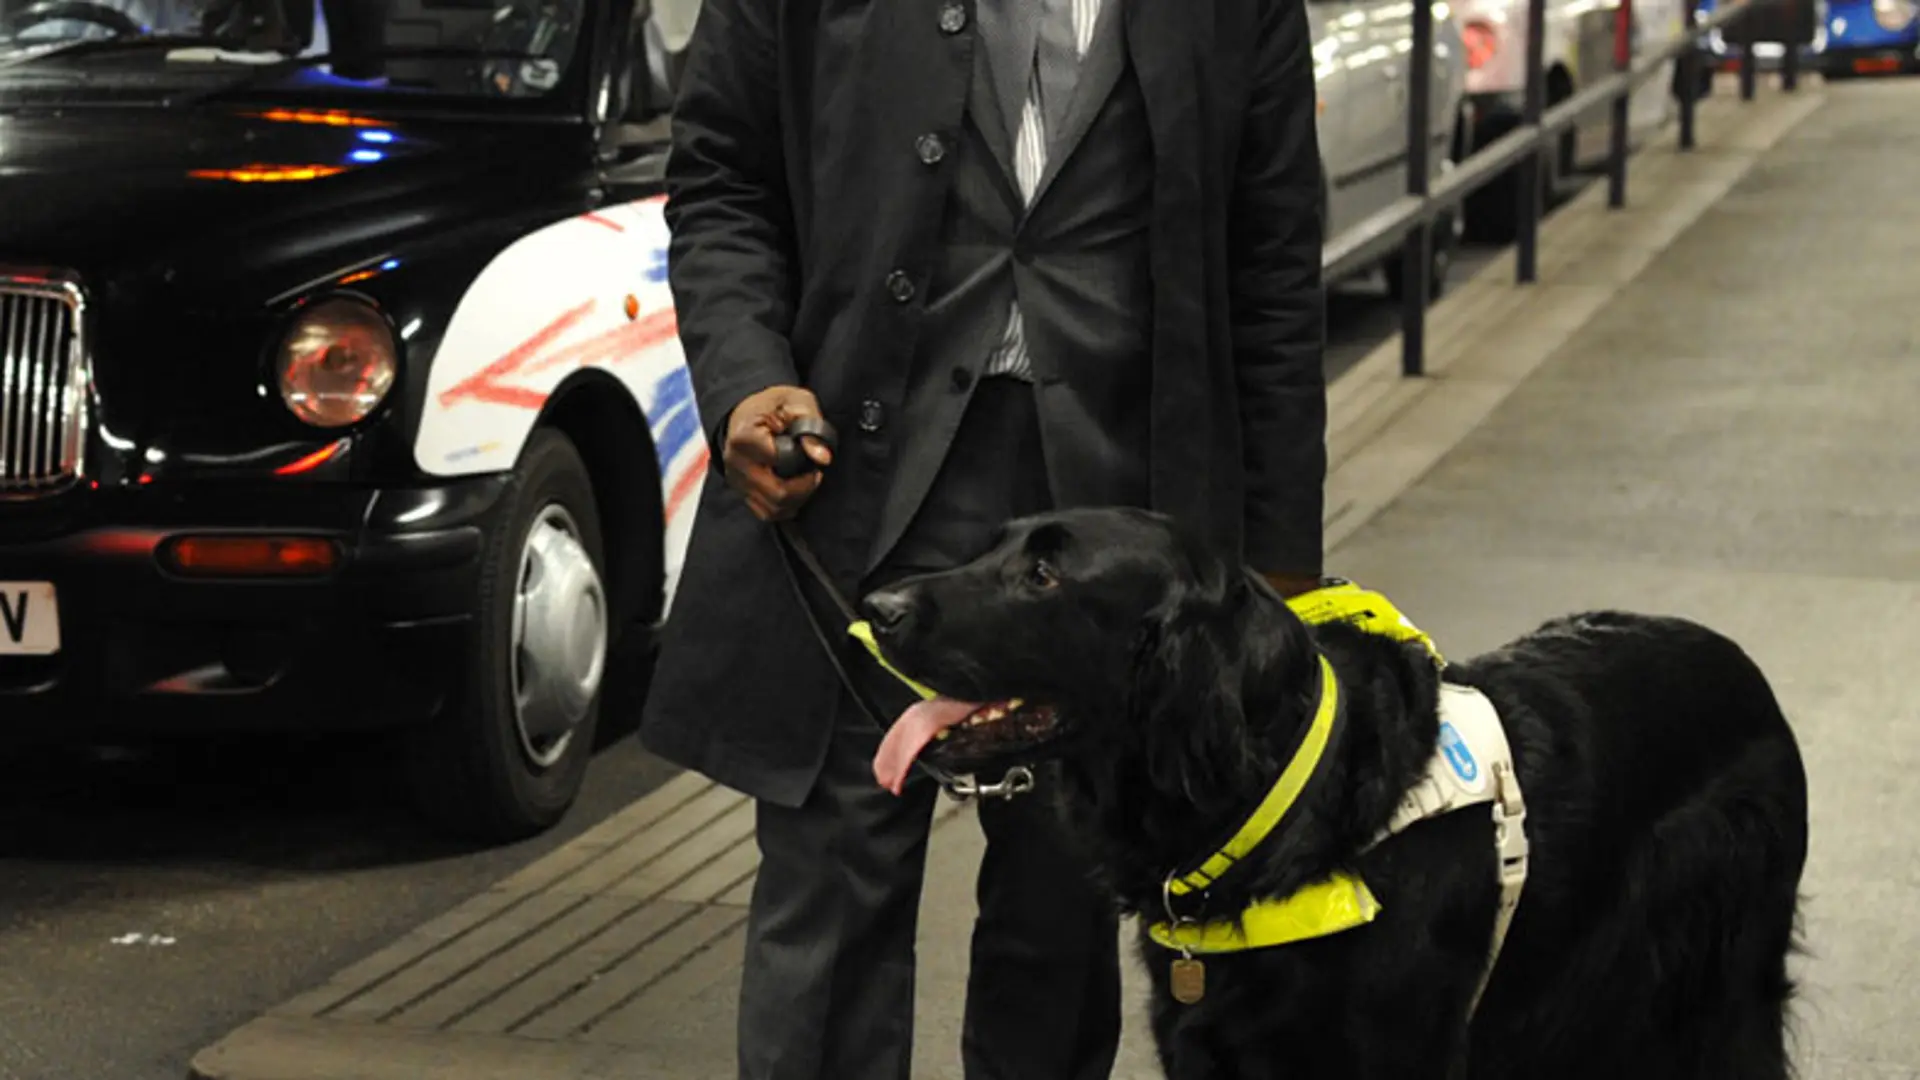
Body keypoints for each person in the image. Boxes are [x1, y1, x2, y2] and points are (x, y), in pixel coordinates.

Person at [639, 0, 1328, 1077]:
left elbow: (1275, 255)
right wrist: (745, 381)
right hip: (859, 489)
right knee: (829, 894)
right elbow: (724, 178)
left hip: (1114, 537)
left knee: (1064, 912)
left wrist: (1286, 573)